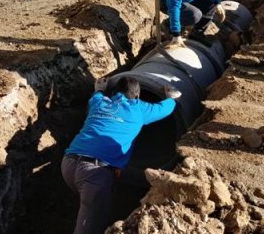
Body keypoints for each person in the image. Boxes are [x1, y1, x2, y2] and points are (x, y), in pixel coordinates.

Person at [61, 76, 180, 234]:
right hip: (94, 174)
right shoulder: (138, 108)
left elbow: (97, 93)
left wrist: (100, 88)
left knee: (94, 207)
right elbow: (165, 108)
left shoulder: (98, 102)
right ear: (137, 96)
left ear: (114, 92)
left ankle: (98, 215)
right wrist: (171, 97)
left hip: (68, 164)